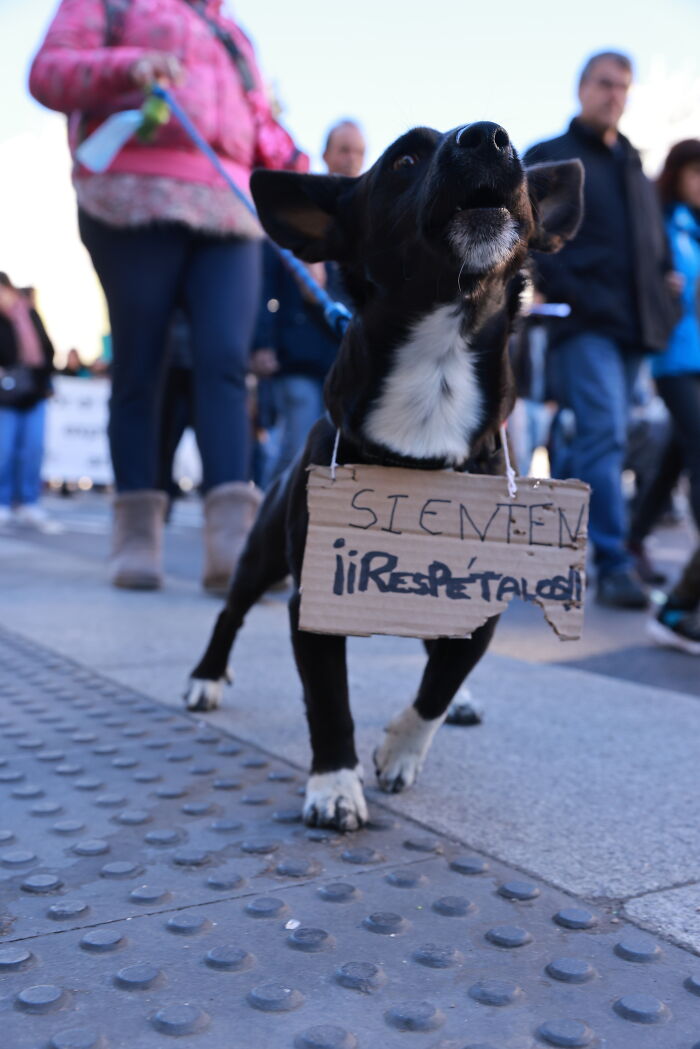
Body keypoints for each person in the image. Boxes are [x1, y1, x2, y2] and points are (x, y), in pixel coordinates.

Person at [29, 0, 308, 594]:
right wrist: (130, 66)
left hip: (229, 206)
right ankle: (135, 533)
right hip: (132, 194)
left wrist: (301, 177)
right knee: (141, 362)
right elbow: (47, 73)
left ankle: (232, 543)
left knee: (225, 363)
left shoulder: (233, 32)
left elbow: (258, 120)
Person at [525, 52, 678, 609]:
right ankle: (611, 560)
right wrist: (571, 292)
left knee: (590, 436)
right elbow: (531, 235)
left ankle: (554, 545)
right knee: (604, 432)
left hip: (637, 328)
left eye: (623, 87)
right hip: (585, 324)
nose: (614, 95)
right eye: (604, 84)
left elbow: (653, 244)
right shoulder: (551, 157)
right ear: (582, 87)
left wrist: (667, 284)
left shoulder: (633, 165)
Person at [250, 120, 365, 484]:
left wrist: (324, 285)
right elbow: (264, 284)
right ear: (326, 154)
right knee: (295, 448)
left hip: (343, 359)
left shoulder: (366, 222)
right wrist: (262, 343)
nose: (351, 159)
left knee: (336, 453)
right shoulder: (299, 209)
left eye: (358, 151)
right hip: (296, 356)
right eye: (344, 150)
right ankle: (269, 524)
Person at [0, 273, 54, 528]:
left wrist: (45, 383)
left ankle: (29, 501)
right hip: (5, 396)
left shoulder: (29, 313)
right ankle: (3, 501)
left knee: (32, 450)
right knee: (4, 451)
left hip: (34, 392)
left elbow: (46, 349)